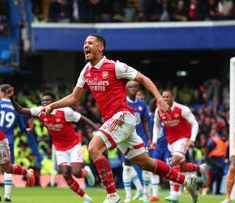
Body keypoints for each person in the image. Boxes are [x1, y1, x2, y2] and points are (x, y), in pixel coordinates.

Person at [41, 34, 199, 203]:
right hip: (114, 121)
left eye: (90, 43)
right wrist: (52, 106)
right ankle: (187, 181)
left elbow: (142, 78)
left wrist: (159, 99)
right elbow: (74, 97)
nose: (86, 46)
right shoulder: (86, 71)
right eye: (84, 43)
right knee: (145, 163)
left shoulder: (115, 67)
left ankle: (112, 195)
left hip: (123, 116)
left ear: (101, 48)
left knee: (94, 147)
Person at [8, 90, 96, 203]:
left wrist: (98, 129)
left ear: (54, 102)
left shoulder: (65, 111)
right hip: (59, 148)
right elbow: (20, 110)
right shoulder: (40, 111)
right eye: (43, 100)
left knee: (76, 173)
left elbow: (83, 119)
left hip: (74, 145)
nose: (44, 102)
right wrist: (12, 98)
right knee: (65, 173)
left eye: (47, 100)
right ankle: (85, 197)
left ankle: (86, 172)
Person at [152, 90, 205, 202]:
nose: (165, 99)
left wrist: (192, 139)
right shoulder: (159, 110)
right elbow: (156, 126)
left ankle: (174, 194)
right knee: (183, 168)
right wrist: (154, 141)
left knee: (173, 162)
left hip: (183, 139)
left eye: (167, 97)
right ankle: (200, 168)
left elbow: (194, 123)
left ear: (172, 97)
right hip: (170, 142)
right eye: (163, 97)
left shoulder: (182, 109)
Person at [0, 84, 28, 202]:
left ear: (3, 92)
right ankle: (7, 197)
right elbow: (22, 126)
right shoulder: (16, 107)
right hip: (9, 141)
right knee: (8, 168)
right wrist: (25, 130)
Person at [123, 81, 152, 203]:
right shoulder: (122, 103)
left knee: (145, 166)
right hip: (126, 138)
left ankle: (145, 194)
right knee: (127, 167)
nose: (133, 89)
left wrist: (149, 137)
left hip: (141, 138)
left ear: (138, 89)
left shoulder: (142, 103)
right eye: (130, 87)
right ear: (126, 89)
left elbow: (145, 121)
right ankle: (128, 196)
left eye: (135, 87)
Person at [148, 99, 171, 202]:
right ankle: (155, 195)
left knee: (171, 168)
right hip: (157, 147)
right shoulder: (153, 117)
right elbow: (152, 129)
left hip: (168, 146)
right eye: (158, 103)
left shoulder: (170, 115)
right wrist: (152, 141)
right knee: (154, 169)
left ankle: (173, 193)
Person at [205, 120, 228, 195]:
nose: (223, 129)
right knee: (213, 174)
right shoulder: (214, 138)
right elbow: (208, 149)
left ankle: (217, 191)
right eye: (222, 128)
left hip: (222, 159)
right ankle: (210, 190)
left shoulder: (225, 138)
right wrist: (207, 159)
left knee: (220, 175)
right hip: (214, 159)